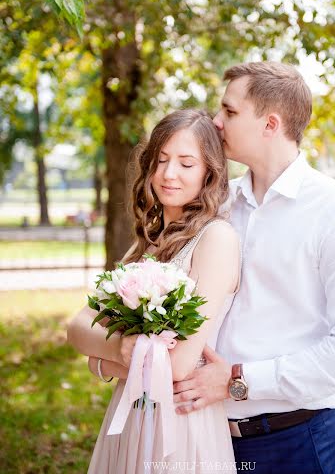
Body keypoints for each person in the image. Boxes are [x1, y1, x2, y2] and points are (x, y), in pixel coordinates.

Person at [172, 61, 335, 473]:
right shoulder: (215, 204)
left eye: (230, 112)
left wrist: (237, 379)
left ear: (271, 124)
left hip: (293, 442)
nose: (215, 123)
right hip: (203, 436)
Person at [67, 109, 241, 473]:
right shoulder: (149, 241)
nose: (168, 174)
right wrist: (118, 349)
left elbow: (177, 365)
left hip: (179, 423)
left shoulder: (216, 240)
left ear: (210, 171)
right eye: (160, 160)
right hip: (130, 413)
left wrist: (100, 360)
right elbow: (77, 327)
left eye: (186, 163)